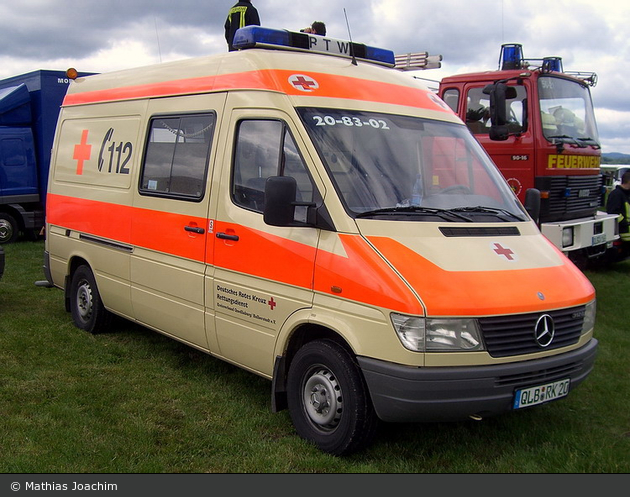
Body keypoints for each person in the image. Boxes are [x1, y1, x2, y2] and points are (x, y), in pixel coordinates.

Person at [606, 170, 630, 245]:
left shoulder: (626, 195)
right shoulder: (616, 194)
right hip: (625, 233)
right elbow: (613, 213)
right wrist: (626, 224)